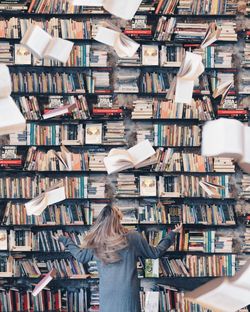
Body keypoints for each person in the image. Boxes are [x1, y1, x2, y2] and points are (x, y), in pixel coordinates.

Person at [53, 204, 182, 312]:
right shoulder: (133, 237)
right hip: (127, 293)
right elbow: (155, 253)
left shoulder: (97, 240)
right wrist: (172, 234)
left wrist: (64, 240)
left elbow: (80, 256)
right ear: (118, 219)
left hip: (107, 292)